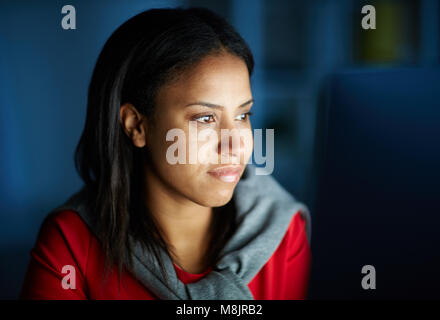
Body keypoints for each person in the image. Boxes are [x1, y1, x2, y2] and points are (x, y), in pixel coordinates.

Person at [20, 7, 311, 300]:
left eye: (242, 115)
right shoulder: (71, 242)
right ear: (137, 125)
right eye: (205, 118)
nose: (236, 146)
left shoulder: (282, 232)